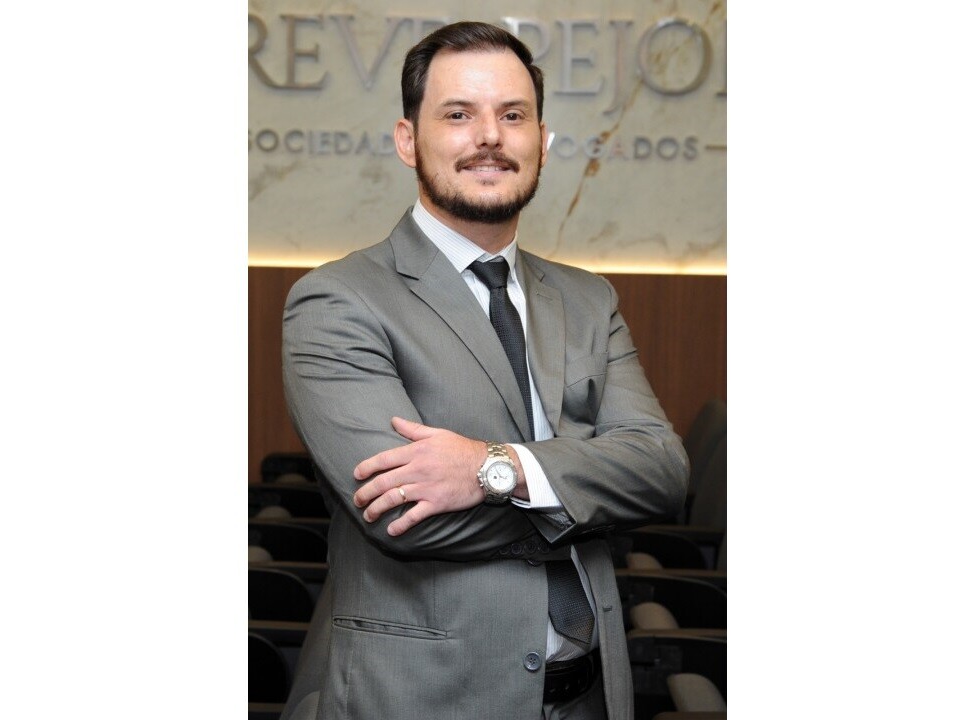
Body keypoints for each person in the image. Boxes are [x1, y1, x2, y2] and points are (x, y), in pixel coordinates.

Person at [279, 21, 689, 720]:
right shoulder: (338, 301)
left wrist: (494, 469)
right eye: (458, 114)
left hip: (591, 697)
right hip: (420, 701)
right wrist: (588, 495)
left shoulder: (589, 300)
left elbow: (662, 471)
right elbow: (405, 519)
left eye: (513, 115)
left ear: (543, 141)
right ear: (407, 139)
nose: (490, 137)